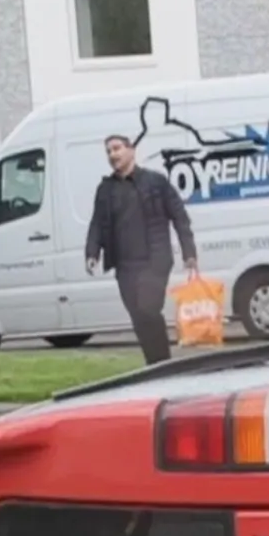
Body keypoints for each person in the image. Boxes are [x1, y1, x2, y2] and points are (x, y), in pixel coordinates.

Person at [85, 134, 198, 365]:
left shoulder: (156, 182)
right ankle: (154, 364)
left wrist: (189, 253)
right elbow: (96, 224)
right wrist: (92, 253)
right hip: (125, 266)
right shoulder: (105, 189)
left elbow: (179, 216)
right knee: (138, 317)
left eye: (117, 148)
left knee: (148, 310)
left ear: (131, 150)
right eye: (108, 151)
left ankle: (163, 363)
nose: (112, 155)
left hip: (155, 261)